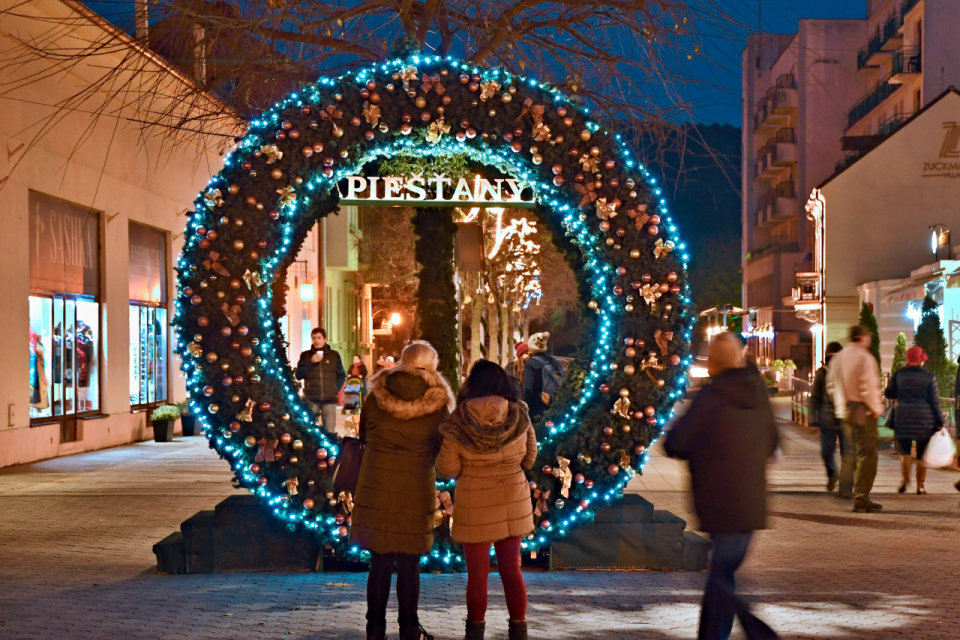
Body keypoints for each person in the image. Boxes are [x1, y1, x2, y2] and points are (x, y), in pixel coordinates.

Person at [665, 332, 780, 640]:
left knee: (720, 577)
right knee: (721, 573)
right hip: (751, 501)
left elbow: (677, 443)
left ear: (713, 364)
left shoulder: (711, 397)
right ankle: (715, 634)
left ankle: (757, 631)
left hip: (719, 501)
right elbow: (773, 442)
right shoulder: (758, 392)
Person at [350, 341, 455, 640]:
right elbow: (440, 448)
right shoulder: (438, 404)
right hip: (415, 486)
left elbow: (364, 434)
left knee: (380, 560)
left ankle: (375, 628)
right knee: (410, 562)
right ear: (431, 365)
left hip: (376, 486)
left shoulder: (377, 395)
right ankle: (409, 627)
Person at [436, 359, 537, 640]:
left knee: (477, 574)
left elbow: (447, 468)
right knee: (511, 568)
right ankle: (518, 630)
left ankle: (475, 633)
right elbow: (529, 458)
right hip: (513, 497)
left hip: (474, 500)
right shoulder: (520, 415)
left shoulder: (458, 421)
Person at [827, 325, 884, 513]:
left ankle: (847, 489)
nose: (869, 339)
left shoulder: (840, 357)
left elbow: (831, 384)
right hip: (863, 411)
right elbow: (868, 387)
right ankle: (861, 498)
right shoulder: (865, 357)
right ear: (862, 337)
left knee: (850, 452)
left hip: (846, 411)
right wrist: (876, 409)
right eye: (868, 335)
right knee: (867, 454)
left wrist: (840, 405)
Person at [884, 346, 943, 494]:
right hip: (923, 419)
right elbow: (935, 401)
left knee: (904, 450)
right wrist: (940, 420)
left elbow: (889, 393)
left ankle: (905, 479)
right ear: (920, 361)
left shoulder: (898, 375)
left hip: (903, 416)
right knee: (922, 452)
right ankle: (920, 485)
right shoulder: (929, 376)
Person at [808, 342, 845, 492]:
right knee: (826, 452)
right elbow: (814, 398)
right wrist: (813, 421)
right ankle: (832, 475)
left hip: (845, 420)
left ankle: (846, 482)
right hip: (827, 421)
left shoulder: (846, 372)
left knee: (848, 453)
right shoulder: (822, 373)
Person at [295, 328, 346, 432]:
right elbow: (299, 375)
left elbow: (342, 374)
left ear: (325, 339)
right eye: (314, 338)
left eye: (319, 338)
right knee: (310, 430)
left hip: (330, 399)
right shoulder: (305, 356)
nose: (316, 340)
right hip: (312, 398)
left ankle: (329, 448)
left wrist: (334, 389)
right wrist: (311, 362)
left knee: (330, 431)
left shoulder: (334, 355)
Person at [522, 332, 564, 420]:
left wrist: (525, 407)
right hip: (555, 407)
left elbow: (528, 390)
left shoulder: (530, 364)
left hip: (537, 409)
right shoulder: (554, 361)